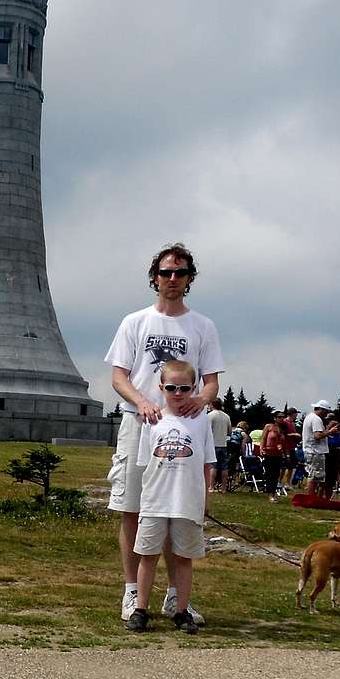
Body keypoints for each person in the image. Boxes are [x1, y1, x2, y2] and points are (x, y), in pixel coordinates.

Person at [105, 243, 223, 625]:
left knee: (179, 511)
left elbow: (211, 382)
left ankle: (176, 597)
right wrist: (142, 401)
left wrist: (200, 401)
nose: (173, 279)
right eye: (166, 272)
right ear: (154, 276)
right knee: (132, 509)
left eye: (181, 272)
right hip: (140, 424)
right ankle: (132, 592)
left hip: (183, 429)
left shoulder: (202, 326)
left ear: (190, 279)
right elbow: (119, 376)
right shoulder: (135, 322)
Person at [125, 359, 217, 635]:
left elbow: (206, 464)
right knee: (147, 554)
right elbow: (146, 463)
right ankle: (140, 608)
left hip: (186, 501)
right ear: (161, 387)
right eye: (171, 387)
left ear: (194, 388)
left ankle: (181, 609)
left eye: (185, 388)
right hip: (156, 499)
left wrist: (205, 498)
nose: (178, 393)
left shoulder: (201, 421)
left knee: (183, 557)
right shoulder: (152, 421)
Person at [302, 399, 332, 495]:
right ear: (322, 410)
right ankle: (310, 496)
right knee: (314, 476)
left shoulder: (309, 417)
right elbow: (317, 435)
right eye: (326, 412)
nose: (326, 414)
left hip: (310, 450)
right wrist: (330, 432)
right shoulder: (316, 419)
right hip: (315, 451)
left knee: (313, 474)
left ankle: (312, 496)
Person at [259, 412, 289, 502]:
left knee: (276, 474)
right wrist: (262, 448)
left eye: (283, 417)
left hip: (278, 454)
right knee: (269, 474)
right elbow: (263, 438)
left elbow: (284, 443)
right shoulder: (269, 427)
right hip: (268, 452)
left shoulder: (283, 429)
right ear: (275, 418)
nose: (281, 419)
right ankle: (270, 493)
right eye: (279, 417)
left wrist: (286, 454)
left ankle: (273, 492)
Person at [208, 397, 231, 490]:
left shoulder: (210, 415)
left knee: (213, 466)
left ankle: (211, 486)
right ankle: (224, 488)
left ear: (212, 404)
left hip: (213, 444)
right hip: (223, 444)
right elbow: (229, 431)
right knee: (224, 467)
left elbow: (206, 430)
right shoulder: (226, 416)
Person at [324, 417, 340, 498]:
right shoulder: (326, 436)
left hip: (335, 460)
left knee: (331, 481)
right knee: (323, 481)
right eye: (333, 426)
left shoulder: (339, 437)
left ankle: (328, 498)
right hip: (326, 459)